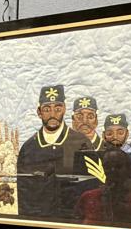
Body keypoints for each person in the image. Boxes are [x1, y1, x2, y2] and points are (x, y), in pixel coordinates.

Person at [16, 84, 92, 219]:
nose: (52, 114)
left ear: (64, 109)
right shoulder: (28, 148)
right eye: (47, 109)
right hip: (39, 224)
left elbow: (92, 188)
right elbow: (24, 195)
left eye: (57, 109)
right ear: (39, 112)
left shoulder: (81, 143)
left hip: (75, 223)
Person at [74, 146, 131, 226]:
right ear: (103, 169)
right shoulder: (88, 197)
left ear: (128, 170)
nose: (112, 170)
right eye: (108, 166)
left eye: (118, 166)